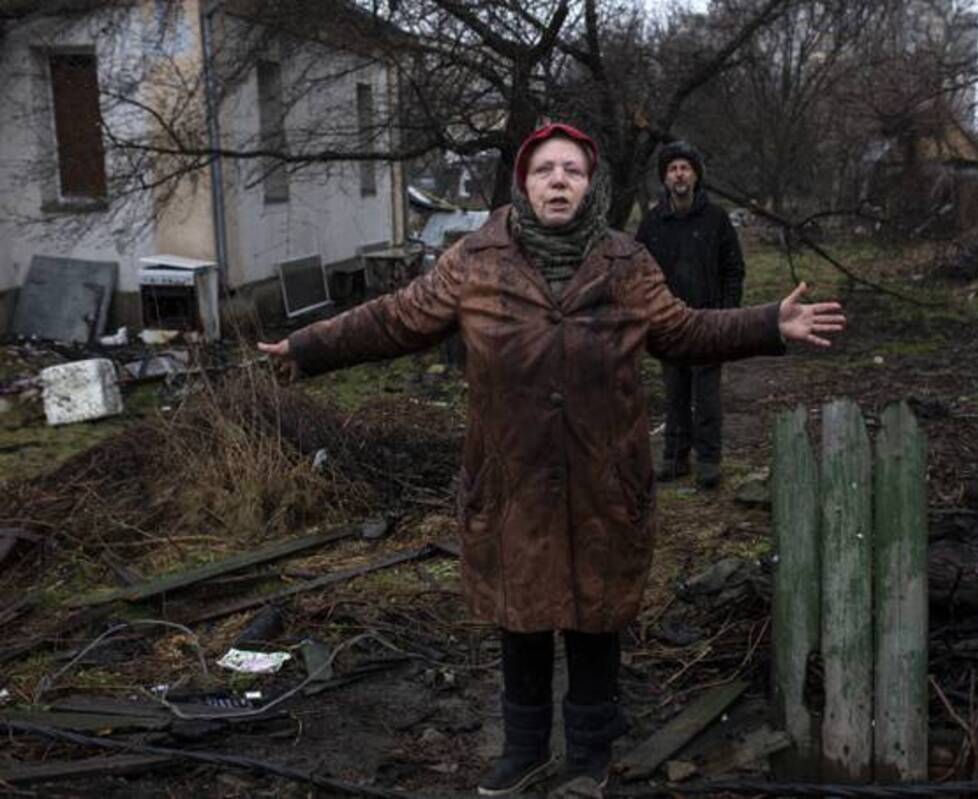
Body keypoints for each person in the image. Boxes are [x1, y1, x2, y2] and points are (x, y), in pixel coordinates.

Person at [258, 122, 845, 797]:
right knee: (522, 618)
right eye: (544, 169)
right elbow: (395, 318)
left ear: (590, 184)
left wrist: (769, 322)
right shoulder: (474, 260)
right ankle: (525, 751)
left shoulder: (626, 262)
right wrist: (307, 347)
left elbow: (683, 331)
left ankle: (590, 756)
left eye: (571, 169)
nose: (558, 179)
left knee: (597, 618)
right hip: (512, 481)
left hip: (605, 477)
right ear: (523, 183)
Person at [636, 140, 743, 489]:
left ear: (695, 176)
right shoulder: (653, 223)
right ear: (665, 178)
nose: (679, 174)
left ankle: (709, 461)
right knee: (675, 392)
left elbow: (733, 268)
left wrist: (727, 313)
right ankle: (675, 458)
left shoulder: (716, 219)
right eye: (672, 169)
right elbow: (638, 272)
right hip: (668, 323)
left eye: (685, 168)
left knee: (707, 396)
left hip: (709, 321)